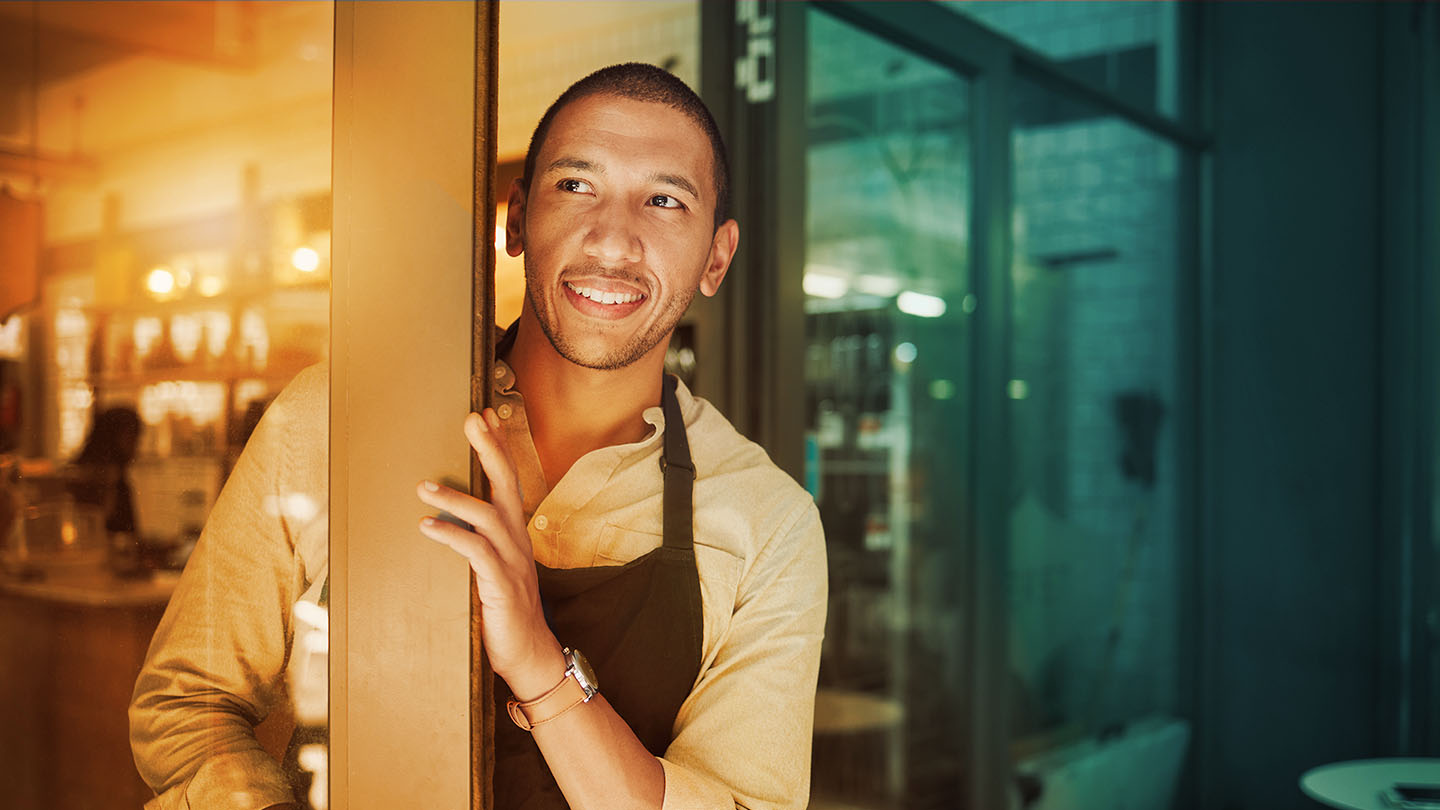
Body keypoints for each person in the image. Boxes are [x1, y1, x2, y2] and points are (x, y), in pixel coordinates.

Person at [130, 63, 827, 810]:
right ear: (516, 220)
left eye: (663, 200)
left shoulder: (768, 524)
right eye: (576, 185)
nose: (613, 240)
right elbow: (187, 705)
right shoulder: (334, 419)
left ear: (716, 257)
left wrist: (538, 664)